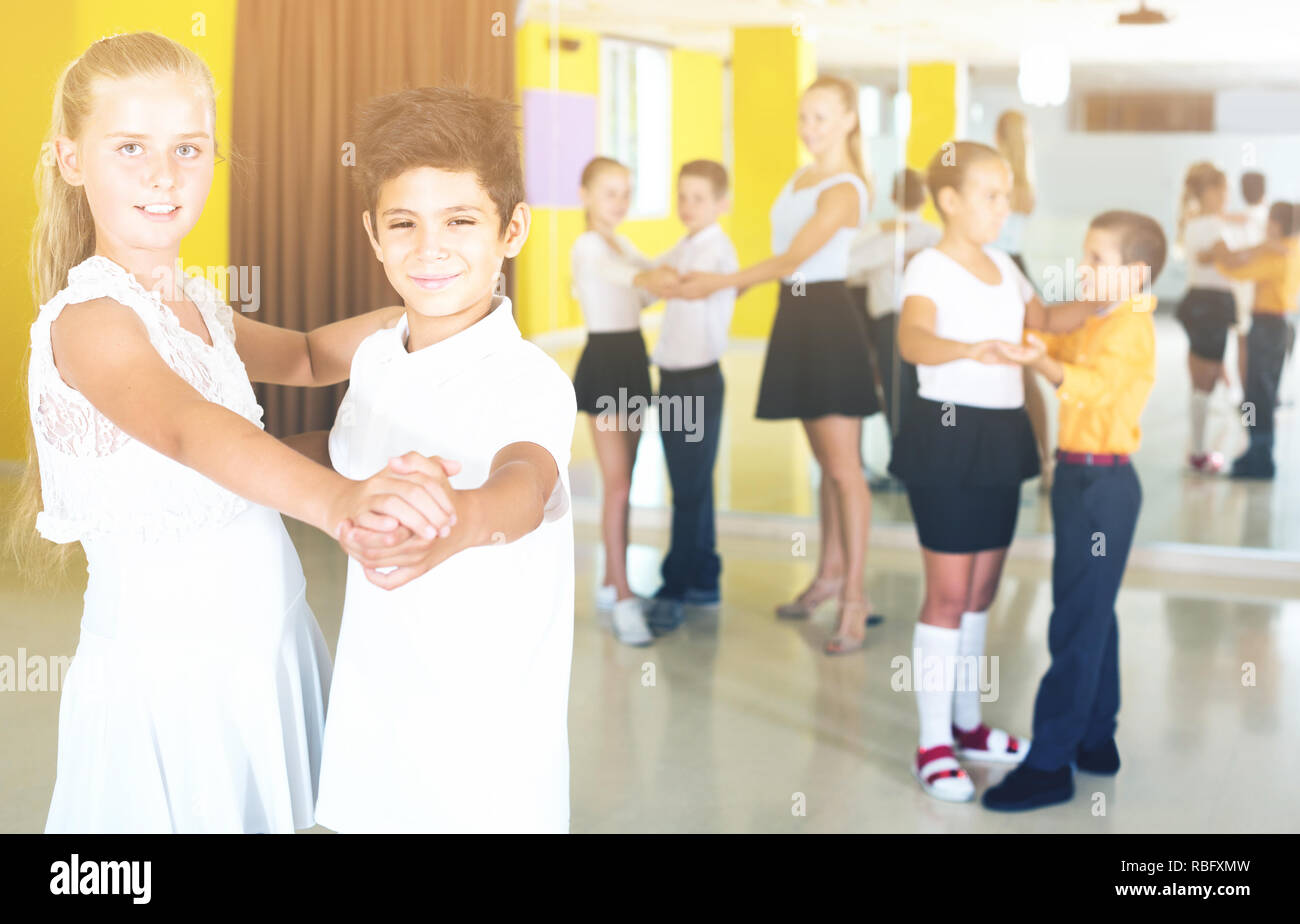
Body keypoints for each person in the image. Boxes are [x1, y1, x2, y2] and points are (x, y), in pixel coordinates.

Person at [15, 32, 450, 833]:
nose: (163, 174)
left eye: (189, 148)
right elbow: (191, 432)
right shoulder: (90, 321)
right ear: (71, 160)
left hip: (266, 639)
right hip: (176, 676)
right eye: (130, 148)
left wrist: (421, 313)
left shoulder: (197, 306)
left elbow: (315, 357)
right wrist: (340, 500)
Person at [312, 86, 578, 833]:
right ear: (373, 233)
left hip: (484, 744)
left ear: (513, 229)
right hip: (377, 701)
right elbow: (336, 462)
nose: (429, 248)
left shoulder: (528, 379)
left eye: (460, 221)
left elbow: (524, 488)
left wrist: (460, 520)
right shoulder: (374, 354)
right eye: (405, 223)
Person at [892, 141, 1096, 802]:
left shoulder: (1006, 265)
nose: (1005, 207)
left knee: (981, 592)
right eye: (992, 195)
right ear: (949, 200)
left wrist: (1106, 299)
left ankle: (969, 725)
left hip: (1003, 433)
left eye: (1007, 194)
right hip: (945, 435)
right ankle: (932, 743)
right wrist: (969, 349)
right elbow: (912, 339)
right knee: (948, 594)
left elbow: (1046, 324)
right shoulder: (928, 264)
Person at [677, 74, 883, 655]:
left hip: (829, 321)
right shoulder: (800, 177)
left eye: (821, 117)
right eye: (804, 117)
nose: (810, 128)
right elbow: (781, 265)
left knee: (846, 470)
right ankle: (829, 574)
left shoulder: (846, 188)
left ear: (848, 120)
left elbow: (793, 258)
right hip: (796, 319)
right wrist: (725, 292)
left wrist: (722, 281)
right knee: (826, 464)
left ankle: (855, 599)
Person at [983, 210, 1166, 811]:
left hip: (1103, 490)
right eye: (1084, 255)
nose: (1082, 269)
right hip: (1078, 479)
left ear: (1135, 274)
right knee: (1090, 612)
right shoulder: (1099, 316)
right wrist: (1027, 342)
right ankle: (1095, 739)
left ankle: (1050, 765)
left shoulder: (1131, 331)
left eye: (1097, 260)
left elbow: (1089, 384)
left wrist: (1037, 361)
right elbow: (1057, 343)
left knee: (1075, 624)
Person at [569, 157, 676, 646]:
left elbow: (648, 284)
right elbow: (634, 278)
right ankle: (625, 597)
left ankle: (616, 582)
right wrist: (662, 276)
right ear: (585, 194)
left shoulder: (622, 242)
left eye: (625, 192)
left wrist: (675, 273)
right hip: (607, 363)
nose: (619, 201)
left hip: (633, 358)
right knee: (615, 485)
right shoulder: (588, 246)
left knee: (626, 481)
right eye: (609, 192)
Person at [642, 160, 739, 634]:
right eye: (682, 196)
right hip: (677, 380)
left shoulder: (716, 251)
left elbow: (673, 282)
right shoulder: (686, 244)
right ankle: (704, 576)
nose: (687, 206)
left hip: (697, 381)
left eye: (698, 198)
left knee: (687, 487)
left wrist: (652, 277)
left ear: (723, 204)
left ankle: (673, 587)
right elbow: (653, 273)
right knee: (693, 484)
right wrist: (648, 276)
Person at [847, 168, 940, 454]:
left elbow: (845, 266)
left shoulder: (882, 236)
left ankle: (902, 455)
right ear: (925, 199)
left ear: (891, 196)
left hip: (890, 324)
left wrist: (875, 233)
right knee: (926, 389)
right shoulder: (934, 236)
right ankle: (927, 452)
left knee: (895, 391)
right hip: (930, 324)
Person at [1210, 202, 1300, 479]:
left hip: (1267, 325)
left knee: (1256, 394)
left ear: (1278, 223)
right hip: (1282, 325)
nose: (1267, 226)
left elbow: (1234, 271)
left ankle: (1258, 457)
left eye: (1271, 221)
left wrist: (1218, 253)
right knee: (1264, 392)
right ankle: (1259, 451)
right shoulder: (1292, 247)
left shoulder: (1278, 254)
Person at [994, 110, 1053, 492]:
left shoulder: (1001, 183)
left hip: (998, 271)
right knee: (1024, 372)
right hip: (1012, 269)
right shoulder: (1024, 186)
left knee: (1013, 369)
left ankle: (1043, 461)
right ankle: (1045, 461)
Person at [1175, 162, 1237, 473]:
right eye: (1223, 190)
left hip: (1200, 303)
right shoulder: (1211, 224)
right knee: (1205, 382)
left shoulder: (1196, 220)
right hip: (1209, 306)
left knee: (1204, 380)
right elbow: (1228, 258)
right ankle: (1199, 453)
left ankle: (1199, 450)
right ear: (1209, 191)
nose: (1227, 196)